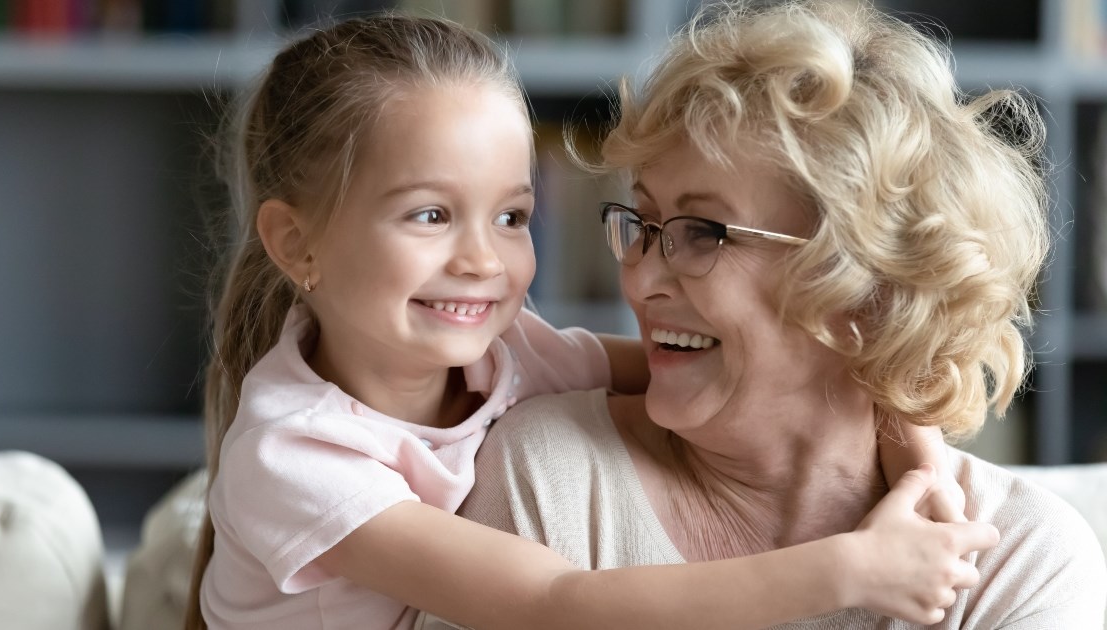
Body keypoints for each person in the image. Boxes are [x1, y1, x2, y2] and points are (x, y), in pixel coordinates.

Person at [184, 13, 1002, 630]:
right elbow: (553, 602)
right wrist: (848, 572)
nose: (482, 261)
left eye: (511, 218)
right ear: (298, 244)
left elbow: (799, 374)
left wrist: (920, 467)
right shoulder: (292, 456)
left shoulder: (508, 357)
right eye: (430, 216)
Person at [418, 1, 1107, 629]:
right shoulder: (553, 477)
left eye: (703, 232)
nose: (643, 277)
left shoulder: (1016, 562)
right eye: (647, 223)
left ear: (863, 288)